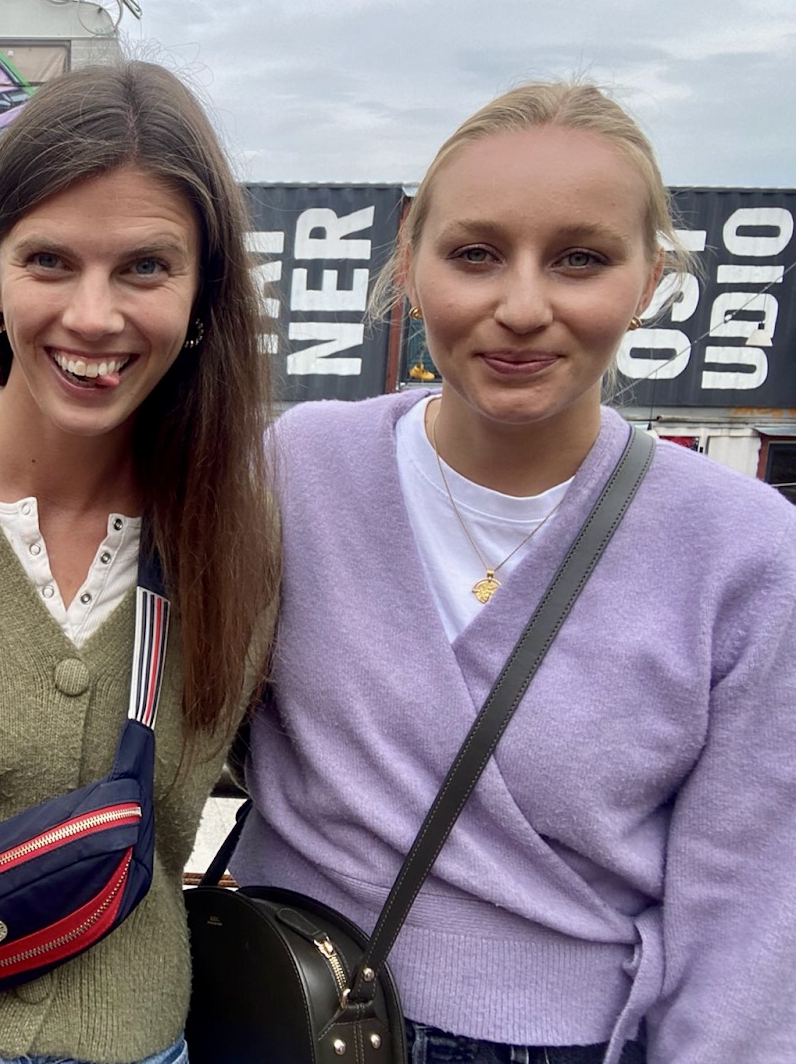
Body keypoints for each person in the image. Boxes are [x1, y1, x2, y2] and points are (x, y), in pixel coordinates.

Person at [231, 82, 796, 1062]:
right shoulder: (295, 470)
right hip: (287, 1009)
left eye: (580, 259)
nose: (522, 307)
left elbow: (749, 903)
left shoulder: (741, 549)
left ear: (651, 277)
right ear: (407, 260)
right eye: (475, 254)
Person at [0, 62, 280, 1064]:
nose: (92, 316)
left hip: (145, 1042)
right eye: (48, 261)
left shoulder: (230, 532)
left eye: (144, 268)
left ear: (204, 292)